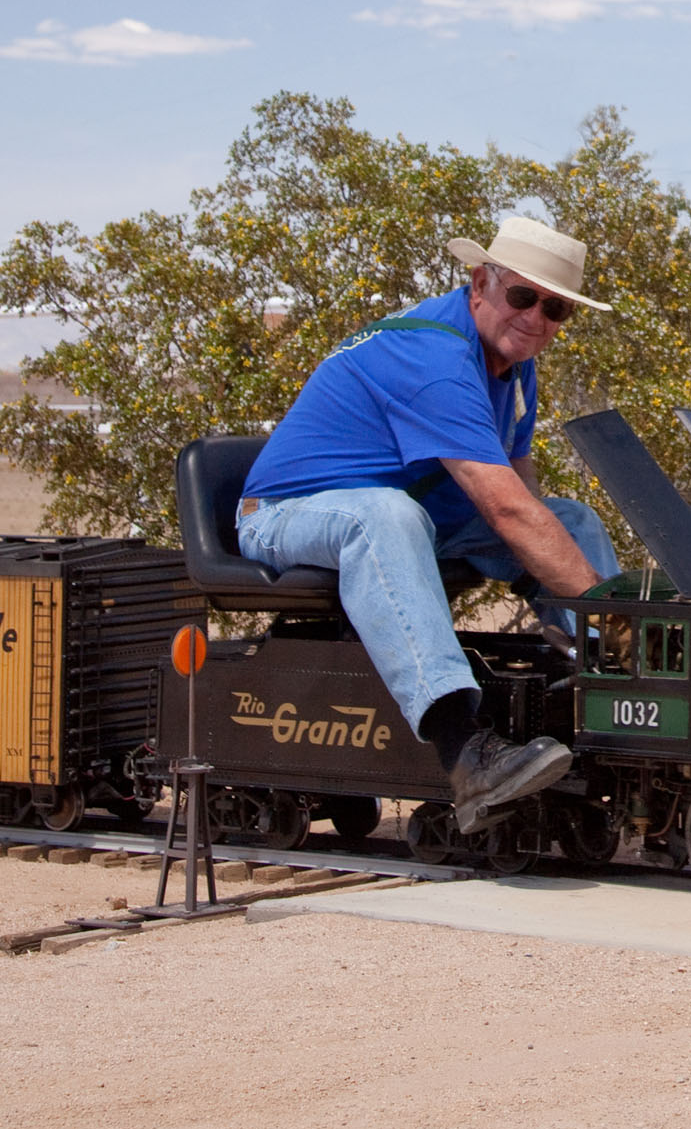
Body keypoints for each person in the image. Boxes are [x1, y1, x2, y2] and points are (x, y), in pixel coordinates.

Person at [236, 217, 620, 834]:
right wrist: (612, 611)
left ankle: (620, 688)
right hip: (287, 515)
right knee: (387, 513)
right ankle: (465, 753)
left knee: (569, 519)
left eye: (556, 310)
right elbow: (505, 508)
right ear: (479, 283)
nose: (536, 318)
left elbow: (524, 494)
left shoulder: (513, 368)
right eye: (523, 297)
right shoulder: (434, 356)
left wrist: (576, 602)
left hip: (417, 524)